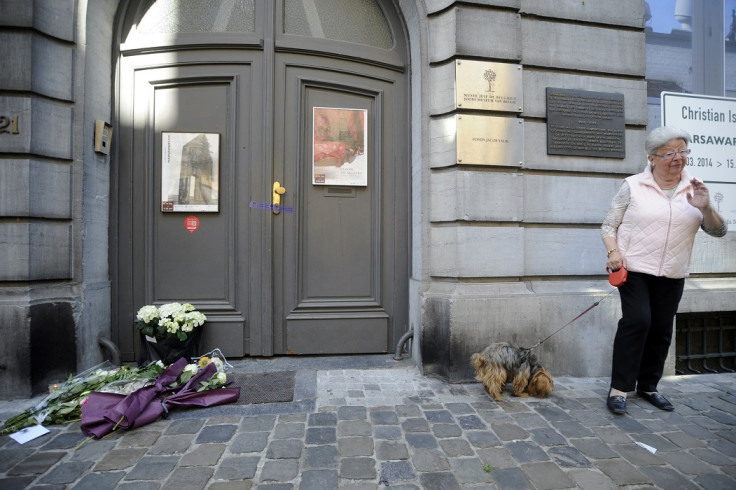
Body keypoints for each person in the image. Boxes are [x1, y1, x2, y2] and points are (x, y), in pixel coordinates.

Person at [601, 126, 727, 415]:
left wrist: (706, 208)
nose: (677, 158)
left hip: (673, 271)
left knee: (660, 330)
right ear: (652, 158)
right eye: (669, 153)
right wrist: (614, 251)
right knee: (638, 321)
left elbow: (718, 231)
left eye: (682, 151)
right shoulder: (632, 186)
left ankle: (648, 386)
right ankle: (619, 388)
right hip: (635, 269)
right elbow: (609, 225)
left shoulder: (695, 188)